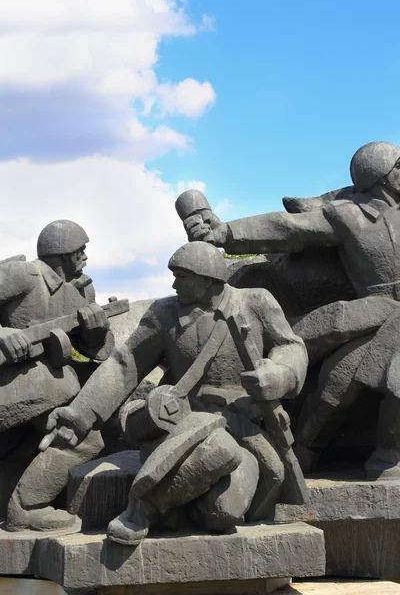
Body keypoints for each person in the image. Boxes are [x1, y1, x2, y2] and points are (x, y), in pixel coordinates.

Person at [42, 241, 308, 544]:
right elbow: (124, 364)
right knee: (219, 449)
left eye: (181, 276)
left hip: (245, 429)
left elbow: (290, 346)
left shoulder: (255, 302)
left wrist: (279, 374)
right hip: (185, 424)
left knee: (224, 512)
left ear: (208, 278)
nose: (173, 284)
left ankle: (181, 504)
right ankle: (143, 509)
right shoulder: (164, 314)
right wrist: (79, 414)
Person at [182, 141, 400, 478]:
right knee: (340, 379)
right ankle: (305, 451)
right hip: (376, 311)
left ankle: (388, 455)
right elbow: (287, 229)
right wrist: (225, 232)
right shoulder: (349, 215)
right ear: (381, 178)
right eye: (398, 167)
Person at [0, 219, 113, 532]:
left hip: (45, 388)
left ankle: (23, 508)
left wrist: (96, 332)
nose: (85, 257)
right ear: (64, 255)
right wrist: (3, 333)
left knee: (81, 437)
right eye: (81, 251)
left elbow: (100, 352)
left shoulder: (76, 294)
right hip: (12, 385)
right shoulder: (23, 274)